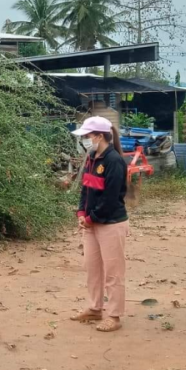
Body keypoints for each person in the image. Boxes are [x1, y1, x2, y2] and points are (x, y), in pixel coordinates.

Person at [68, 116, 129, 333]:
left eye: (87, 136)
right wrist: (81, 212)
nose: (85, 139)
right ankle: (95, 308)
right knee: (92, 268)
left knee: (113, 272)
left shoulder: (114, 161)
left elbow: (110, 198)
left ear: (99, 136)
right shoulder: (92, 158)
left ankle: (114, 315)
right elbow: (86, 189)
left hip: (111, 224)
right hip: (91, 223)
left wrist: (90, 218)